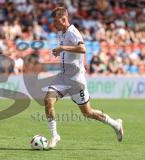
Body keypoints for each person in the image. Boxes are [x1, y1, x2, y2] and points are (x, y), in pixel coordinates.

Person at [44, 7, 124, 149]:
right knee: (48, 100)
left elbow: (83, 49)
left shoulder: (73, 32)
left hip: (76, 80)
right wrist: (60, 52)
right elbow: (68, 51)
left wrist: (62, 48)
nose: (54, 24)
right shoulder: (60, 32)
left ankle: (116, 124)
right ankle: (55, 135)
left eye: (56, 21)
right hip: (62, 77)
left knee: (88, 113)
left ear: (63, 19)